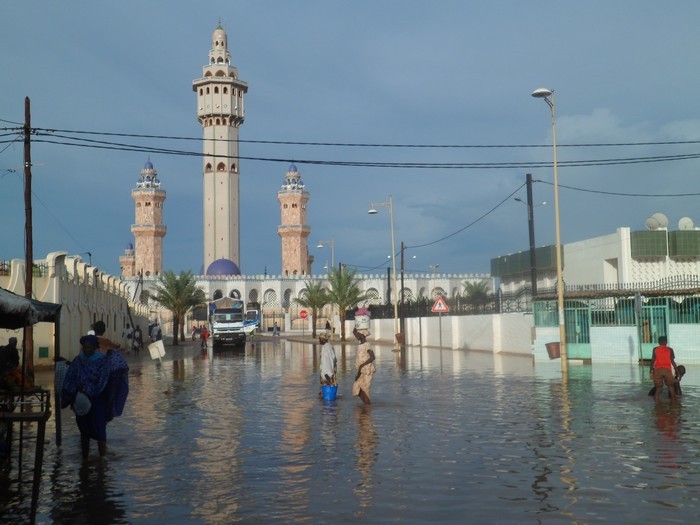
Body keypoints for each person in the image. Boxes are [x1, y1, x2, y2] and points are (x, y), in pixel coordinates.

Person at [61, 334, 129, 459]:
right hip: (81, 401)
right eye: (85, 347)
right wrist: (71, 395)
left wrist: (88, 389)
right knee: (84, 430)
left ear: (94, 347)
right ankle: (85, 459)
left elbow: (105, 379)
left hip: (98, 401)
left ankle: (102, 459)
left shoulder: (103, 361)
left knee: (100, 429)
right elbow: (70, 378)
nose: (87, 349)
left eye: (89, 347)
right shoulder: (77, 361)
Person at [650, 336, 679, 402]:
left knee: (658, 388)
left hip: (658, 370)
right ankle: (674, 405)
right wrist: (677, 371)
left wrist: (651, 371)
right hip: (667, 370)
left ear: (658, 342)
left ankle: (656, 406)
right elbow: (672, 361)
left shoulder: (655, 349)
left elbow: (652, 361)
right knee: (671, 387)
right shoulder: (670, 350)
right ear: (666, 342)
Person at [352, 327, 376, 405]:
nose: (357, 335)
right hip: (361, 371)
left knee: (365, 390)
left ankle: (368, 406)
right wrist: (357, 324)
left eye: (359, 334)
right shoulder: (360, 342)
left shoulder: (367, 345)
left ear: (363, 335)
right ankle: (366, 406)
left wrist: (362, 365)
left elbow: (372, 357)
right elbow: (354, 332)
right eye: (358, 334)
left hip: (367, 371)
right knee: (357, 388)